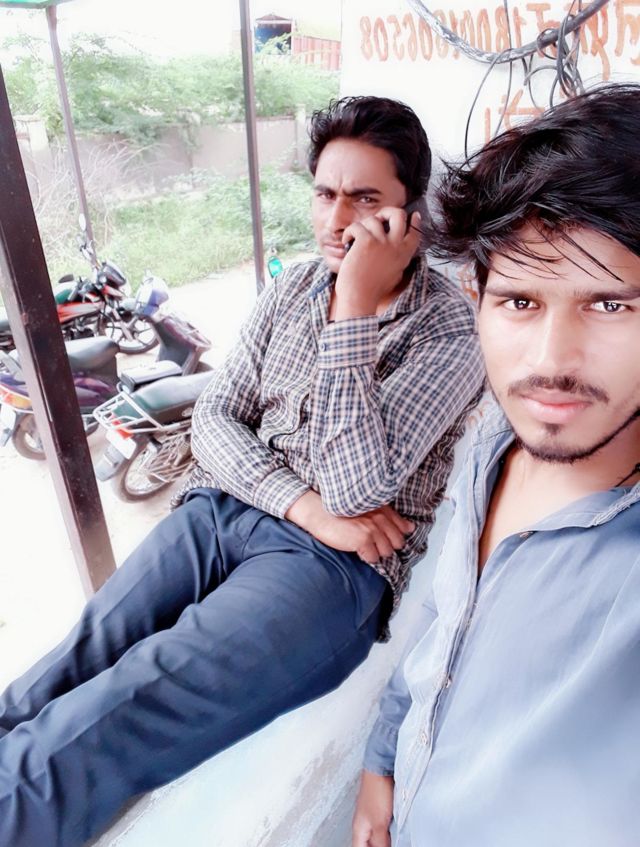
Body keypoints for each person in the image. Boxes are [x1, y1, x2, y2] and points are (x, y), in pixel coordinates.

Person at [0, 96, 483, 846]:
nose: (336, 221)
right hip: (231, 511)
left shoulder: (450, 331)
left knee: (135, 696)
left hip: (332, 569)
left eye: (365, 200)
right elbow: (215, 420)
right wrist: (303, 503)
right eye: (325, 193)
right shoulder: (292, 288)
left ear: (409, 215)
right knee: (82, 651)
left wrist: (355, 310)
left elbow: (358, 490)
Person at [352, 82, 640, 847]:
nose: (551, 361)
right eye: (519, 302)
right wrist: (383, 762)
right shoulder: (491, 445)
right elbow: (448, 620)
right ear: (476, 296)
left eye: (611, 304)